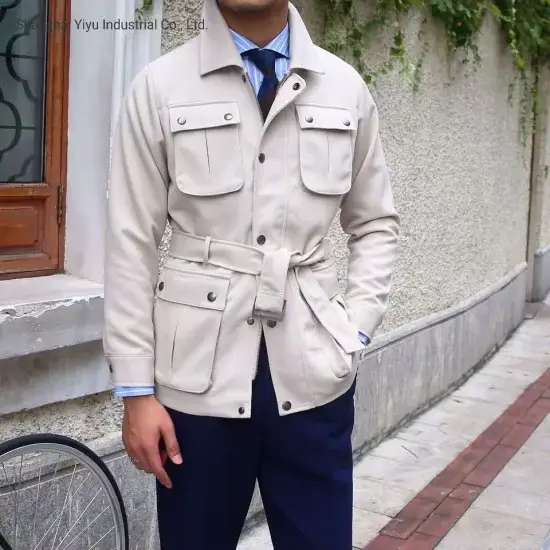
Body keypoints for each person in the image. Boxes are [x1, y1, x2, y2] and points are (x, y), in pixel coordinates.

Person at [103, 0, 400, 546]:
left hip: (314, 377)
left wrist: (353, 331)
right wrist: (136, 391)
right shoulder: (160, 87)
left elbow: (376, 222)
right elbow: (130, 241)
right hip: (194, 385)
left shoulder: (344, 88)